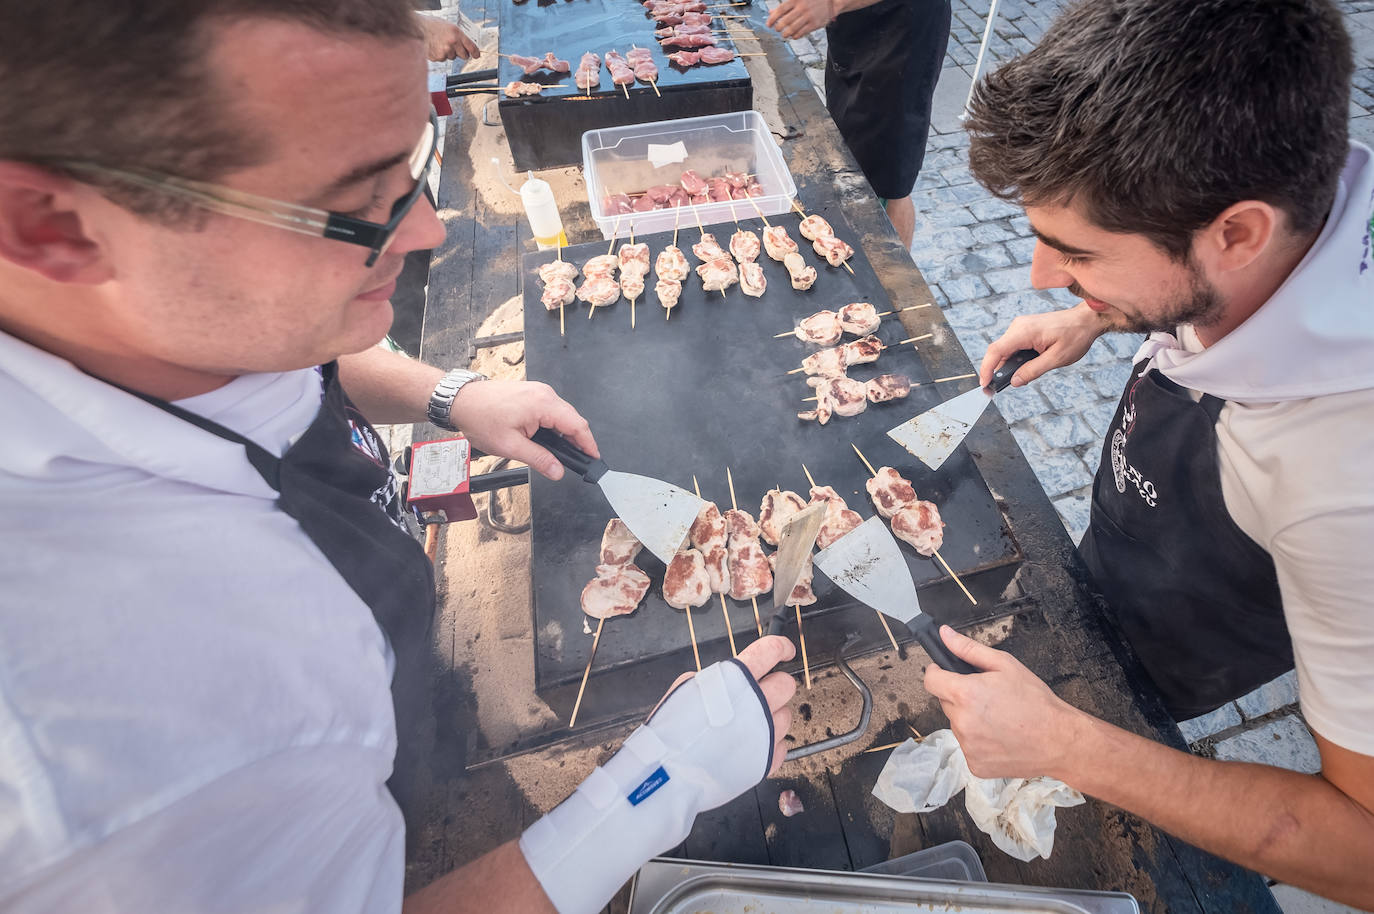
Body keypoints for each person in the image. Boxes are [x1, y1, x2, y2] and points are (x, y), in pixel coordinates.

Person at [0, 3, 796, 912]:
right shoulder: (98, 757)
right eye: (357, 205)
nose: (428, 232)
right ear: (51, 224)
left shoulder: (141, 313)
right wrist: (659, 785)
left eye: (414, 171)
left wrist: (448, 395)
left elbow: (278, 344)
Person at [918, 0, 1374, 907]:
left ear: (1236, 233)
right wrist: (1100, 308)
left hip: (1193, 649)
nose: (1042, 273)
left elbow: (1362, 845)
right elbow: (1185, 266)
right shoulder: (1284, 212)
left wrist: (1069, 745)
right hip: (1125, 563)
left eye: (1077, 252)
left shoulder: (1341, 489)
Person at [766, 0, 951, 249]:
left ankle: (894, 281)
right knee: (846, 150)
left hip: (901, 29)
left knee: (887, 177)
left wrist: (832, 4)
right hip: (856, 20)